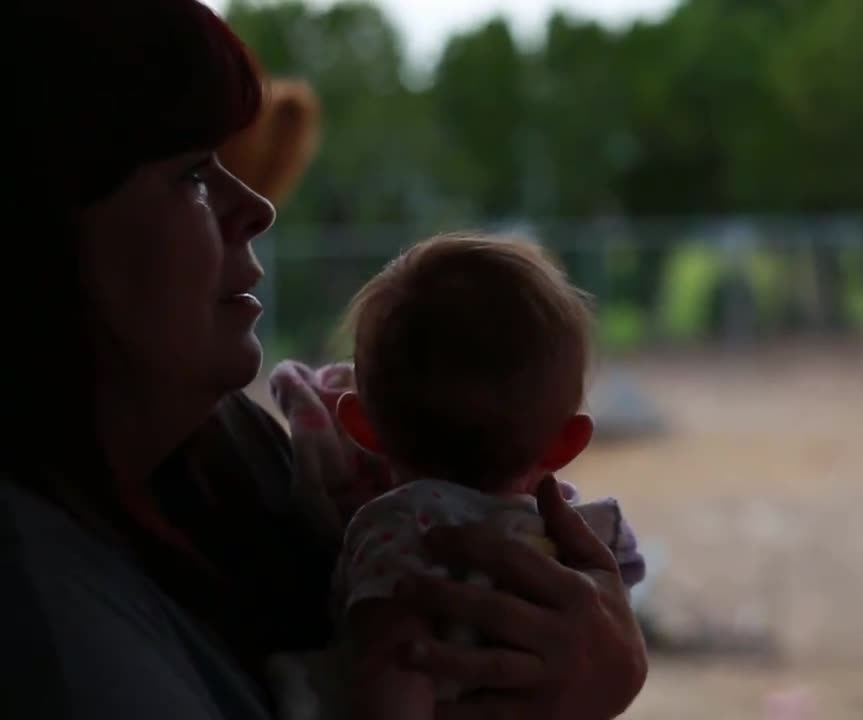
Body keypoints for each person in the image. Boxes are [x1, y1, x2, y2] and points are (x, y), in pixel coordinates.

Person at [0, 2, 646, 719]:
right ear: (40, 232)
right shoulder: (55, 634)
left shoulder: (230, 454)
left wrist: (600, 666)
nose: (257, 207)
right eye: (191, 174)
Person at [266, 233, 647, 718]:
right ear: (567, 442)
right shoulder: (586, 533)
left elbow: (394, 657)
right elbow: (621, 598)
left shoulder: (395, 529)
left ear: (361, 426)